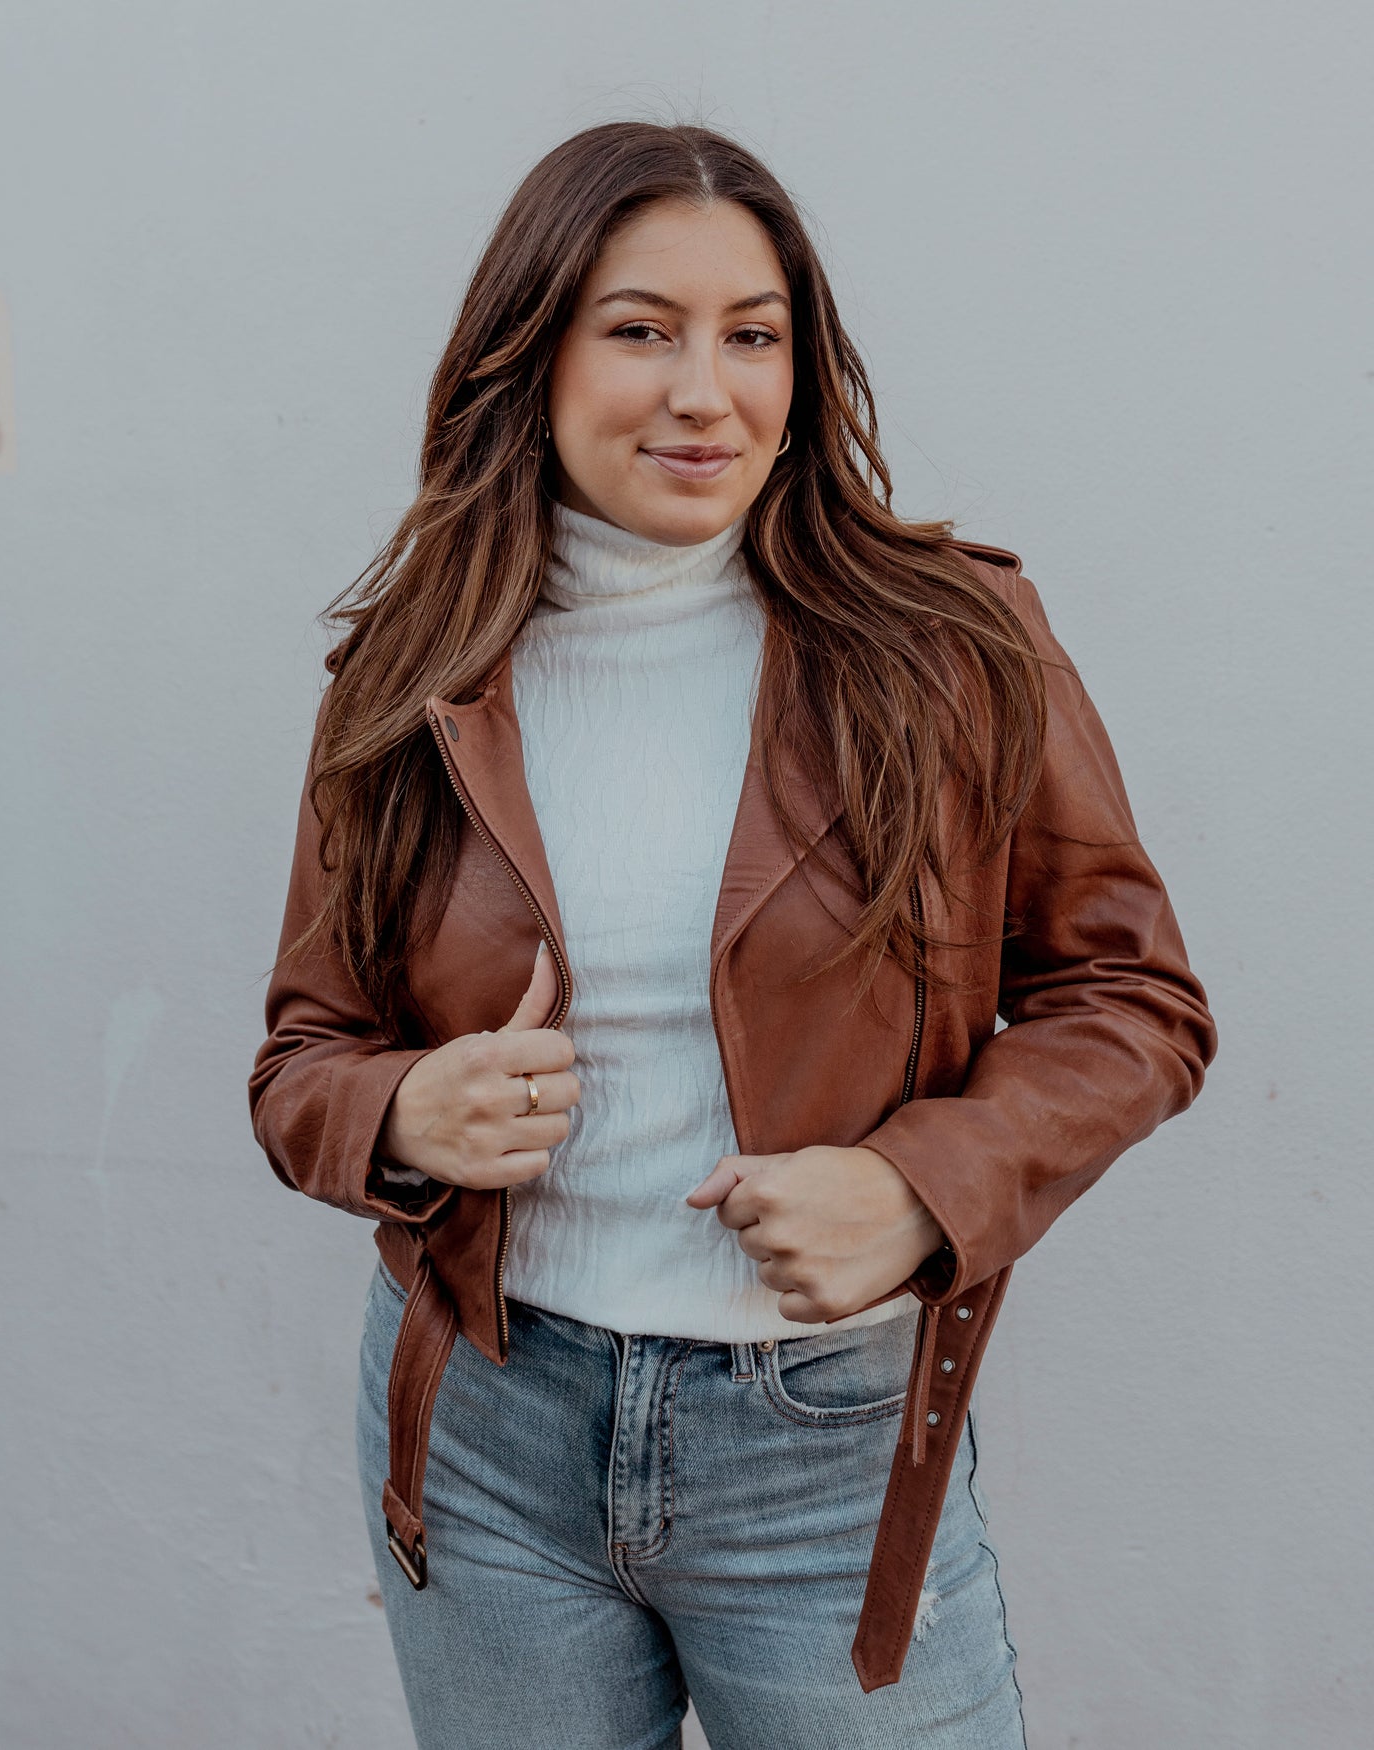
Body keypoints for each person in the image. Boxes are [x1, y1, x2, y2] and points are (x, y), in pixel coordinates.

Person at [248, 120, 1218, 1750]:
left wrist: (923, 1185)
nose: (707, 389)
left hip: (817, 1440)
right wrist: (404, 1112)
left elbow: (1135, 997)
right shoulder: (412, 671)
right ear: (531, 355)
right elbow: (302, 1055)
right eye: (642, 329)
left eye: (752, 336)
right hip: (486, 1424)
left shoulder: (953, 644)